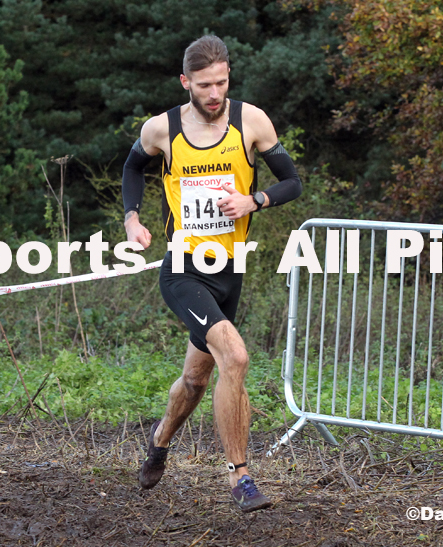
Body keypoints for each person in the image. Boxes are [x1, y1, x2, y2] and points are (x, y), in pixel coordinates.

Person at [121, 35, 302, 513]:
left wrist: (255, 200)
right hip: (184, 269)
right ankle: (241, 477)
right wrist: (132, 218)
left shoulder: (252, 121)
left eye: (221, 82)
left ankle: (159, 440)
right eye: (204, 85)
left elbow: (292, 182)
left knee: (196, 380)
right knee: (235, 357)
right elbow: (133, 167)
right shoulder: (162, 129)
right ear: (186, 82)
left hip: (229, 270)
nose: (215, 93)